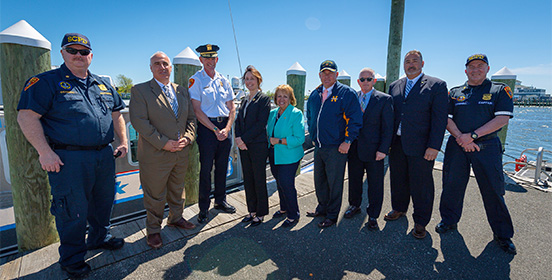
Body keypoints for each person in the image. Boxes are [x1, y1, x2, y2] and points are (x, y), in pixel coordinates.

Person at [17, 33, 127, 278]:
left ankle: (99, 238)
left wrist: (122, 141)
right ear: (63, 53)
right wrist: (44, 152)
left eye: (84, 52)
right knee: (72, 211)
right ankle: (71, 259)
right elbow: (26, 116)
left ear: (91, 56)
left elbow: (117, 113)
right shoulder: (46, 82)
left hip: (103, 156)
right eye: (73, 50)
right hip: (69, 160)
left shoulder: (102, 84)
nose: (79, 55)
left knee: (103, 202)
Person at [436, 54, 516, 254]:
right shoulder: (455, 93)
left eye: (480, 66)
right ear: (465, 70)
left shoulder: (499, 90)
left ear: (487, 69)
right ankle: (449, 221)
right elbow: (446, 119)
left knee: (493, 190)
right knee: (452, 187)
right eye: (471, 67)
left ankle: (502, 234)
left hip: (487, 147)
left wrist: (472, 136)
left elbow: (502, 119)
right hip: (458, 146)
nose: (475, 69)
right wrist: (462, 138)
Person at [129, 51, 197, 249]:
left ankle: (176, 218)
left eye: (165, 63)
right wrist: (163, 142)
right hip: (155, 155)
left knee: (177, 189)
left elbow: (191, 119)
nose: (162, 67)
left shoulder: (182, 91)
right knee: (155, 195)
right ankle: (153, 231)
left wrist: (188, 137)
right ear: (151, 68)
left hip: (181, 152)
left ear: (171, 67)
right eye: (157, 64)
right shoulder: (140, 91)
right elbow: (139, 122)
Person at [385, 50, 448, 239]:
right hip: (397, 143)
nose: (410, 64)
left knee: (422, 185)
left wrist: (434, 146)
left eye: (414, 61)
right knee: (398, 179)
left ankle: (421, 222)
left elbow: (439, 119)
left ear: (422, 63)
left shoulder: (436, 85)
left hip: (422, 146)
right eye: (407, 61)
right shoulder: (395, 86)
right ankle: (399, 208)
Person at [306, 60, 363, 228]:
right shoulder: (315, 94)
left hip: (337, 147)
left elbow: (355, 119)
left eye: (330, 73)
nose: (327, 76)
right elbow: (310, 116)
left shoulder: (347, 93)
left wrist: (347, 141)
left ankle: (332, 215)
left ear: (337, 75)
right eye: (324, 73)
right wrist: (314, 135)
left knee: (334, 183)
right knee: (320, 180)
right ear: (319, 75)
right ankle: (322, 208)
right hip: (319, 146)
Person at [189, 44, 236, 223]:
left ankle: (220, 201)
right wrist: (215, 130)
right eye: (206, 58)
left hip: (225, 127)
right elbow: (197, 110)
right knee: (206, 169)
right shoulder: (196, 80)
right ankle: (203, 208)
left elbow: (231, 108)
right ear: (201, 60)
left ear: (217, 60)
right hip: (208, 129)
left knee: (223, 167)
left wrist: (227, 128)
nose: (210, 61)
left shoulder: (224, 80)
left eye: (213, 58)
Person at [344, 68, 394, 230]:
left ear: (374, 81)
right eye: (362, 79)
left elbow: (388, 128)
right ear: (358, 82)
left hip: (374, 151)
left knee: (375, 184)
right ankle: (354, 205)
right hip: (354, 149)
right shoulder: (352, 98)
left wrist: (383, 149)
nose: (365, 82)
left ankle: (373, 214)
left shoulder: (384, 99)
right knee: (354, 180)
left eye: (368, 79)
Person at [234, 65, 271, 226]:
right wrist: (237, 138)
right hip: (244, 146)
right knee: (248, 179)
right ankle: (252, 210)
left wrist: (243, 139)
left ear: (258, 80)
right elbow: (238, 121)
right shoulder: (243, 100)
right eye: (247, 79)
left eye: (252, 79)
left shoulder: (263, 99)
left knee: (259, 178)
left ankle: (261, 212)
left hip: (257, 145)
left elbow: (260, 124)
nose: (249, 82)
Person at [268, 84, 305, 227]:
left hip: (290, 155)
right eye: (279, 96)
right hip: (274, 155)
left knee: (286, 183)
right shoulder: (272, 114)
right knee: (279, 182)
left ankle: (293, 214)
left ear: (291, 99)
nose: (281, 99)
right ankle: (283, 208)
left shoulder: (296, 113)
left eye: (285, 96)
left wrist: (279, 141)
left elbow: (299, 138)